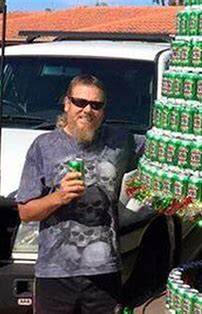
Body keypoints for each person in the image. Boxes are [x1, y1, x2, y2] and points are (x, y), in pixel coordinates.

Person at [16, 74, 138, 314]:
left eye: (96, 105)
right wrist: (59, 196)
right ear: (67, 104)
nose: (87, 110)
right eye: (80, 102)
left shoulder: (121, 142)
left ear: (103, 110)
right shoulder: (44, 146)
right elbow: (25, 212)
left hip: (104, 272)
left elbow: (165, 149)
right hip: (55, 273)